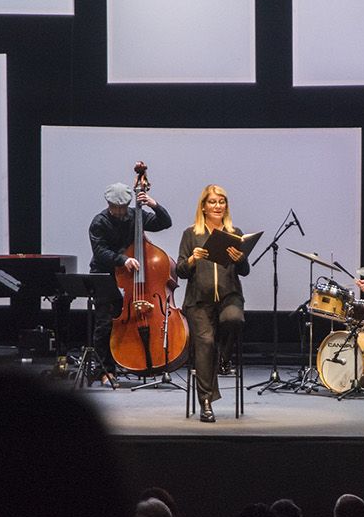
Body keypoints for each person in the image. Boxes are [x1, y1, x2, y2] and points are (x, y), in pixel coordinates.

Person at [176, 185, 249, 423]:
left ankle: (224, 359)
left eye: (222, 202)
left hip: (229, 296)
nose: (218, 206)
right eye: (213, 202)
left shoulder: (234, 232)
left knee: (234, 319)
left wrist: (241, 260)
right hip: (199, 301)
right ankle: (206, 401)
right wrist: (193, 259)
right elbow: (180, 270)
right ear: (203, 206)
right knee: (205, 343)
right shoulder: (191, 233)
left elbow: (245, 271)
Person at [88, 181, 172, 387]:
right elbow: (101, 251)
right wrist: (123, 260)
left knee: (127, 322)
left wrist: (153, 204)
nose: (119, 211)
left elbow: (165, 223)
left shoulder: (136, 215)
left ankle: (138, 362)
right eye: (115, 207)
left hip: (129, 280)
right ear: (108, 204)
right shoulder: (99, 222)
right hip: (105, 274)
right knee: (105, 324)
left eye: (123, 207)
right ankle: (103, 371)